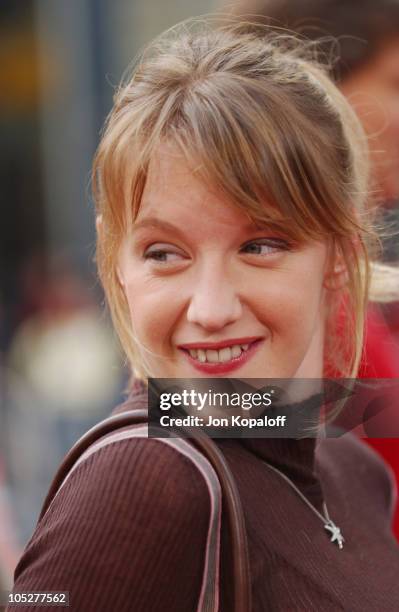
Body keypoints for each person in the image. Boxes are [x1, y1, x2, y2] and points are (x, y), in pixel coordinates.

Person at [8, 21, 399, 611]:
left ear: (340, 256)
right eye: (164, 254)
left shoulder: (353, 469)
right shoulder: (144, 482)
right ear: (115, 262)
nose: (211, 309)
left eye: (259, 246)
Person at [230, 0, 399, 537]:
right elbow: (187, 413)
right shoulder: (281, 284)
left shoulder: (344, 279)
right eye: (394, 82)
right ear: (320, 93)